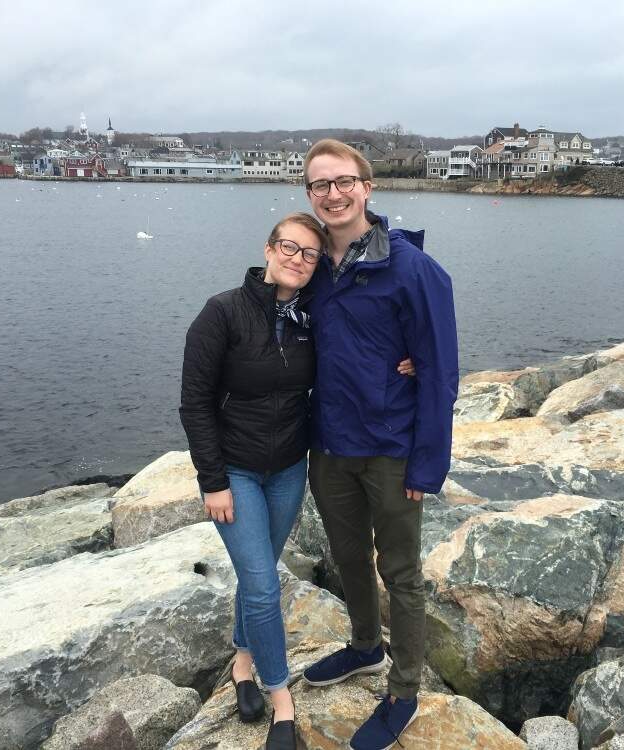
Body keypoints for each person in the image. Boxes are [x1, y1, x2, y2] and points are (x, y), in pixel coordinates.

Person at [179, 212, 415, 750]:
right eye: (290, 247)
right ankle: (281, 701)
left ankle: (243, 664)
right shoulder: (221, 314)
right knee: (263, 586)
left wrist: (412, 360)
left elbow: (363, 332)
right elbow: (194, 403)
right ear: (268, 248)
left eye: (310, 254)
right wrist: (211, 480)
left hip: (288, 469)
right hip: (234, 471)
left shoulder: (311, 313)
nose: (299, 259)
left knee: (255, 576)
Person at [298, 139, 459, 750]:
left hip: (392, 449)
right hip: (330, 447)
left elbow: (440, 371)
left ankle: (404, 688)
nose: (333, 195)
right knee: (346, 558)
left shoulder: (412, 270)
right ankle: (365, 646)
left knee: (402, 572)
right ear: (309, 195)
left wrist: (428, 462)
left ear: (368, 187)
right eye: (320, 186)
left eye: (344, 182)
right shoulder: (311, 266)